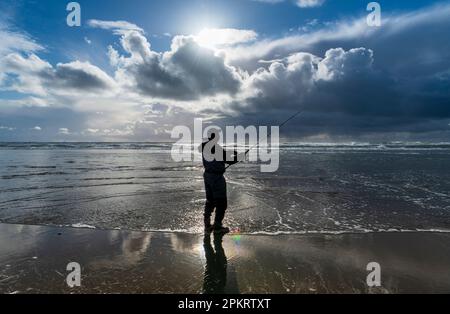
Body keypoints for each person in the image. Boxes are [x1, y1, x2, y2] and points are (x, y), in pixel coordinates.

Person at [201, 129, 239, 234]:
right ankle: (217, 227)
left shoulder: (204, 147)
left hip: (207, 176)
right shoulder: (218, 149)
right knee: (221, 203)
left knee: (210, 201)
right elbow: (230, 160)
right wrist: (238, 157)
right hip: (216, 178)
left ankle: (207, 225)